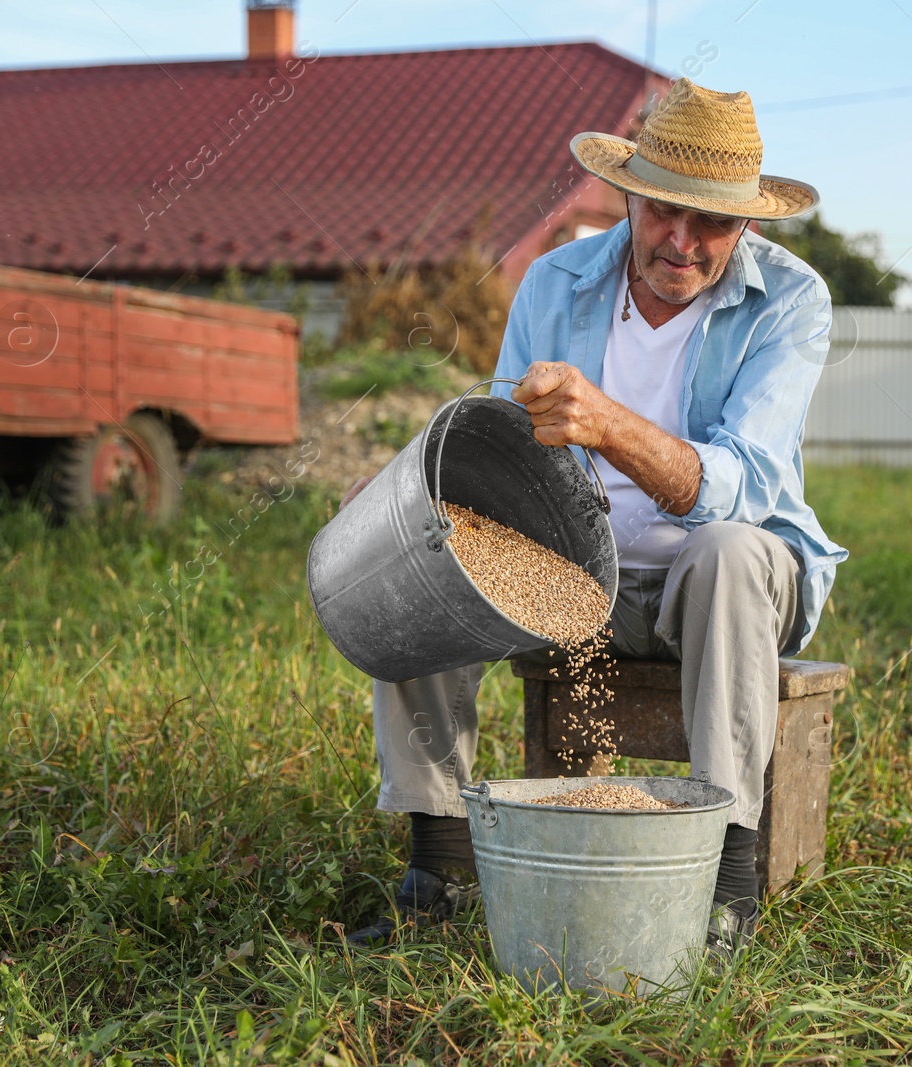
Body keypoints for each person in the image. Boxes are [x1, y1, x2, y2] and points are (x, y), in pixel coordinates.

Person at [339, 77, 847, 963]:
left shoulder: (792, 303)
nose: (681, 243)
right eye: (661, 214)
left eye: (711, 225)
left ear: (748, 224)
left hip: (724, 578)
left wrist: (608, 423)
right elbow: (500, 451)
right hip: (583, 574)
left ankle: (726, 884)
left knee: (726, 549)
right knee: (435, 540)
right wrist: (411, 496)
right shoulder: (557, 279)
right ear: (628, 194)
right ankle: (442, 863)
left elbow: (743, 484)